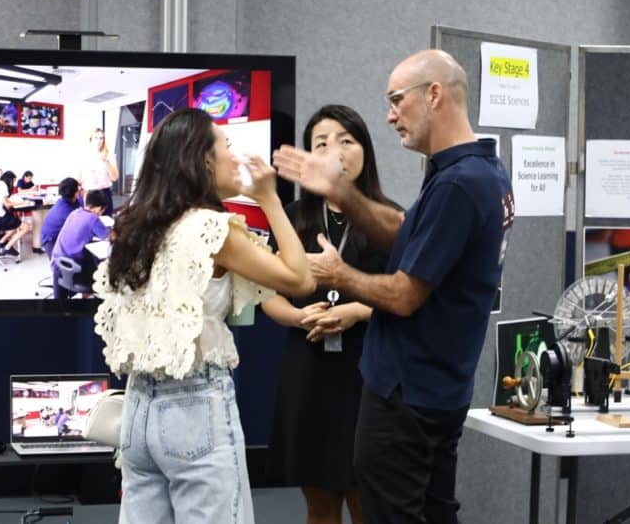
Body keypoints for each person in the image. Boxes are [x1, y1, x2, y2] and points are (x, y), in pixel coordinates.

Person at [274, 49, 515, 524]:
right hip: (435, 389)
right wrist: (341, 192)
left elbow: (405, 297)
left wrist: (340, 275)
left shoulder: (458, 185)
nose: (390, 115)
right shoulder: (473, 171)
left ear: (434, 95)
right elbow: (406, 231)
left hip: (410, 396)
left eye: (396, 100)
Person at [93, 107, 315, 523]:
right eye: (226, 145)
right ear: (204, 160)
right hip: (195, 409)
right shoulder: (213, 229)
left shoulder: (138, 228)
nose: (234, 154)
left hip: (138, 409)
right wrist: (269, 198)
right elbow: (300, 279)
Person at [262, 105, 396, 524]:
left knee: (368, 503)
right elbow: (266, 294)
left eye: (346, 140)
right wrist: (297, 317)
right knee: (319, 506)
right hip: (308, 372)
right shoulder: (293, 218)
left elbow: (409, 296)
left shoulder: (388, 220)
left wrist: (356, 311)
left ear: (365, 150)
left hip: (368, 374)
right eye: (321, 143)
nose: (334, 150)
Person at [51, 189, 111, 297]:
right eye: (102, 211)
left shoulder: (75, 213)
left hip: (57, 264)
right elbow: (111, 237)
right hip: (74, 269)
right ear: (98, 208)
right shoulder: (93, 218)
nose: (100, 214)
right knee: (99, 266)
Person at [0, 170, 31, 257]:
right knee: (26, 227)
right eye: (13, 181)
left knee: (16, 223)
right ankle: (7, 247)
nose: (13, 183)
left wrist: (13, 202)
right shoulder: (3, 187)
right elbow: (7, 204)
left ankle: (1, 242)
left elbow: (4, 201)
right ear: (10, 180)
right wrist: (23, 203)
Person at [80, 127, 118, 215]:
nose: (99, 141)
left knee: (106, 220)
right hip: (88, 193)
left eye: (101, 138)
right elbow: (78, 178)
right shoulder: (84, 156)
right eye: (96, 138)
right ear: (91, 139)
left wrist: (106, 162)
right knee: (88, 220)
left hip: (104, 193)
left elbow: (115, 178)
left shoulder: (110, 155)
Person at [39, 177, 82, 256]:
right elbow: (80, 228)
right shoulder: (65, 210)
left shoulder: (70, 200)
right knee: (63, 262)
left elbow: (81, 208)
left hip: (60, 235)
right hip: (51, 240)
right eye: (79, 187)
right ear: (76, 193)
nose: (81, 188)